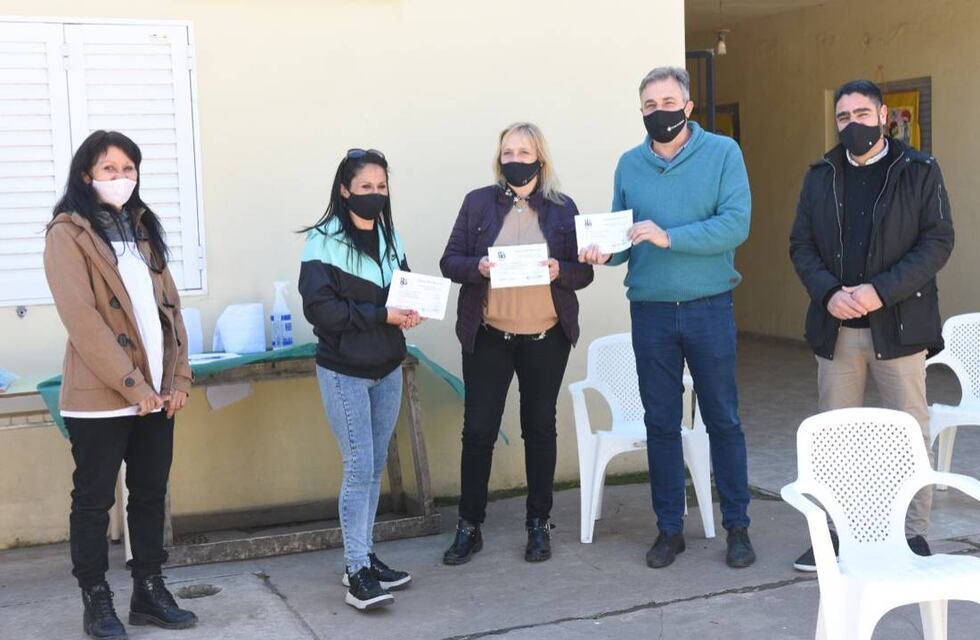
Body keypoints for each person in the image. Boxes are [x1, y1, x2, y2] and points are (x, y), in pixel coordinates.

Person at [581, 67, 755, 569]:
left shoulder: (724, 154)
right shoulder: (628, 165)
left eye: (668, 101)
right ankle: (669, 529)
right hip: (651, 311)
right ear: (642, 112)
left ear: (689, 106)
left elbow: (735, 225)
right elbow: (622, 241)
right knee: (660, 423)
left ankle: (738, 527)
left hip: (709, 307)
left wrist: (669, 236)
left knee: (723, 418)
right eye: (650, 105)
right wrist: (602, 253)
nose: (660, 112)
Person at [789, 79, 954, 571]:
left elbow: (938, 242)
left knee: (909, 430)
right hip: (837, 325)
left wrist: (879, 291)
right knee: (834, 436)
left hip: (900, 324)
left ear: (884, 116)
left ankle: (913, 534)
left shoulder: (919, 170)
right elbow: (801, 245)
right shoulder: (821, 174)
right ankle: (836, 534)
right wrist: (829, 293)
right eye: (843, 117)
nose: (853, 125)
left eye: (862, 114)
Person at [44, 130, 198, 639]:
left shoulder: (142, 229)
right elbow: (82, 321)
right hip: (101, 397)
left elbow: (169, 311)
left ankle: (149, 592)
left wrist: (177, 377)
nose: (120, 178)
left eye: (128, 169)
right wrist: (136, 387)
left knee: (150, 494)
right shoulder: (68, 233)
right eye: (109, 169)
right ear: (86, 175)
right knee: (93, 502)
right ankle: (97, 600)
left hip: (155, 393)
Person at [440, 122, 594, 565]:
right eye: (508, 152)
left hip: (546, 338)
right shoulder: (478, 203)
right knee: (480, 431)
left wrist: (559, 271)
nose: (515, 159)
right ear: (499, 158)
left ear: (540, 158)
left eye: (524, 151)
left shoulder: (563, 209)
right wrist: (480, 267)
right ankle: (469, 526)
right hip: (489, 336)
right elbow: (450, 261)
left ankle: (539, 525)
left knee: (540, 429)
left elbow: (583, 273)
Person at [298, 149, 421, 610]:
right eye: (365, 187)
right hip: (344, 370)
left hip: (388, 367)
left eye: (382, 187)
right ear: (345, 190)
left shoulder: (391, 236)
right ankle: (355, 571)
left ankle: (366, 556)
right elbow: (321, 310)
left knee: (373, 470)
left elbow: (404, 288)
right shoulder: (323, 241)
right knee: (359, 467)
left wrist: (410, 311)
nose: (375, 195)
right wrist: (382, 313)